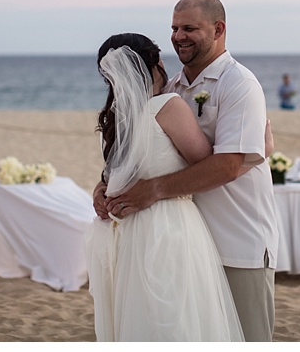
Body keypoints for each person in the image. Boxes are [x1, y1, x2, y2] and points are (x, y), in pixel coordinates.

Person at [98, 0, 279, 342]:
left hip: (236, 241)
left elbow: (228, 165)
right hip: (184, 247)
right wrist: (104, 184)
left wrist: (153, 191)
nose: (178, 36)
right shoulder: (170, 88)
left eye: (190, 28)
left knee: (247, 339)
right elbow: (143, 150)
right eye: (175, 28)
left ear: (219, 29)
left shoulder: (239, 84)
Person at [86, 33, 243, 341]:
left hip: (129, 235)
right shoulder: (169, 106)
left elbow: (120, 174)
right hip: (167, 228)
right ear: (157, 63)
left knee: (142, 318)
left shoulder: (122, 118)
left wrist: (102, 189)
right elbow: (206, 162)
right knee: (174, 320)